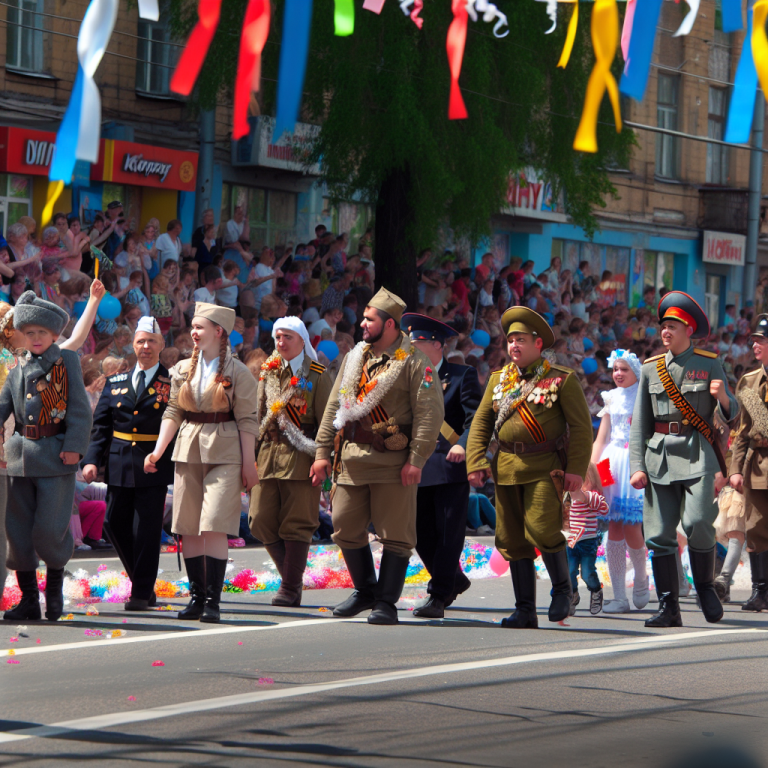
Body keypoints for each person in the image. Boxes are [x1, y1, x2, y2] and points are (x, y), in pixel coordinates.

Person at [311, 288, 444, 625]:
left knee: (395, 533)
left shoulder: (415, 361)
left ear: (389, 325)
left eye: (369, 319)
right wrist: (322, 451)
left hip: (392, 462)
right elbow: (334, 408)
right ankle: (366, 590)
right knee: (343, 526)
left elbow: (429, 414)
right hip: (352, 459)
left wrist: (416, 459)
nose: (361, 325)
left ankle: (386, 601)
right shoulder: (355, 357)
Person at [465, 306, 593, 629]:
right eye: (510, 341)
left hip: (545, 466)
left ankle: (564, 590)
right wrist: (477, 461)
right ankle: (525, 610)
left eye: (521, 340)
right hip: (506, 466)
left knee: (541, 528)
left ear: (538, 344)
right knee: (510, 538)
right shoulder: (498, 380)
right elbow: (481, 423)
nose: (514, 347)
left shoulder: (561, 380)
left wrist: (576, 469)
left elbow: (580, 428)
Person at [144, 303, 259, 623]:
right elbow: (173, 413)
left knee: (214, 524)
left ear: (218, 332)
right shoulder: (181, 370)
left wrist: (249, 465)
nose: (193, 333)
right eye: (192, 327)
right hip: (188, 450)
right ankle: (196, 598)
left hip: (226, 453)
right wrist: (157, 450)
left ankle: (213, 601)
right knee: (189, 526)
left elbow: (248, 421)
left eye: (200, 327)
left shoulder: (239, 372)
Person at [629, 291, 737, 627]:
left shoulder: (708, 363)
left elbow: (730, 416)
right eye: (663, 326)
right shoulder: (650, 369)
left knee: (698, 522)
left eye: (673, 325)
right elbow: (640, 423)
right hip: (659, 456)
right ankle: (668, 607)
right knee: (659, 532)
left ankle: (705, 586)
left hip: (697, 452)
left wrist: (723, 398)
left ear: (689, 329)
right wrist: (636, 466)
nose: (665, 331)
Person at [0, 291, 92, 621]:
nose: (35, 338)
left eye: (42, 332)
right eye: (30, 332)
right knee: (18, 531)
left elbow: (80, 411)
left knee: (50, 529)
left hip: (55, 457)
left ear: (54, 335)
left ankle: (54, 595)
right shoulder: (16, 367)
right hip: (19, 458)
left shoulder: (65, 361)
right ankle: (28, 601)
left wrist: (74, 447)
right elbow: (3, 408)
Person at [81, 317, 174, 611]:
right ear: (133, 345)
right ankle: (142, 580)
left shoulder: (170, 383)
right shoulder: (116, 381)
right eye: (140, 341)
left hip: (153, 464)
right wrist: (91, 460)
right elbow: (102, 426)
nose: (145, 347)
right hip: (120, 462)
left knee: (145, 531)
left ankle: (141, 592)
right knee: (113, 523)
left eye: (151, 341)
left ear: (161, 345)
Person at [401, 313, 482, 619]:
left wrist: (463, 442)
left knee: (448, 533)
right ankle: (454, 579)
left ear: (436, 344)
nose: (412, 348)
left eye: (417, 342)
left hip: (449, 462)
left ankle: (438, 595)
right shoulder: (407, 375)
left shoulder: (462, 375)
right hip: (417, 463)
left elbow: (476, 418)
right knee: (419, 532)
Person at [248, 317, 333, 606]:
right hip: (268, 454)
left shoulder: (318, 374)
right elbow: (259, 416)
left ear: (302, 340)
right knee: (258, 519)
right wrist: (250, 458)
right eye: (278, 338)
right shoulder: (268, 372)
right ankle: (291, 578)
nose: (281, 343)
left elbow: (327, 423)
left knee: (297, 523)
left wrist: (322, 458)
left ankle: (290, 587)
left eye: (288, 337)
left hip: (301, 456)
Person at [590, 349, 649, 613]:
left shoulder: (644, 397)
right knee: (613, 526)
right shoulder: (610, 398)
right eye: (615, 369)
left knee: (632, 526)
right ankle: (618, 596)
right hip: (610, 464)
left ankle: (641, 578)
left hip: (635, 464)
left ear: (635, 373)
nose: (618, 374)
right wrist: (594, 473)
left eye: (624, 369)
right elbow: (601, 440)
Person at [729, 313, 768, 612]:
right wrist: (735, 470)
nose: (755, 344)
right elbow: (742, 431)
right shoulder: (750, 382)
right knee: (756, 529)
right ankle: (760, 591)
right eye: (754, 340)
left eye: (761, 340)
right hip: (757, 468)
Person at [566, 462, 609, 616]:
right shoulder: (570, 496)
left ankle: (596, 590)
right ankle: (573, 595)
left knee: (587, 573)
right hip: (572, 540)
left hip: (588, 541)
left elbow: (603, 508)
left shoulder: (592, 496)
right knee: (569, 572)